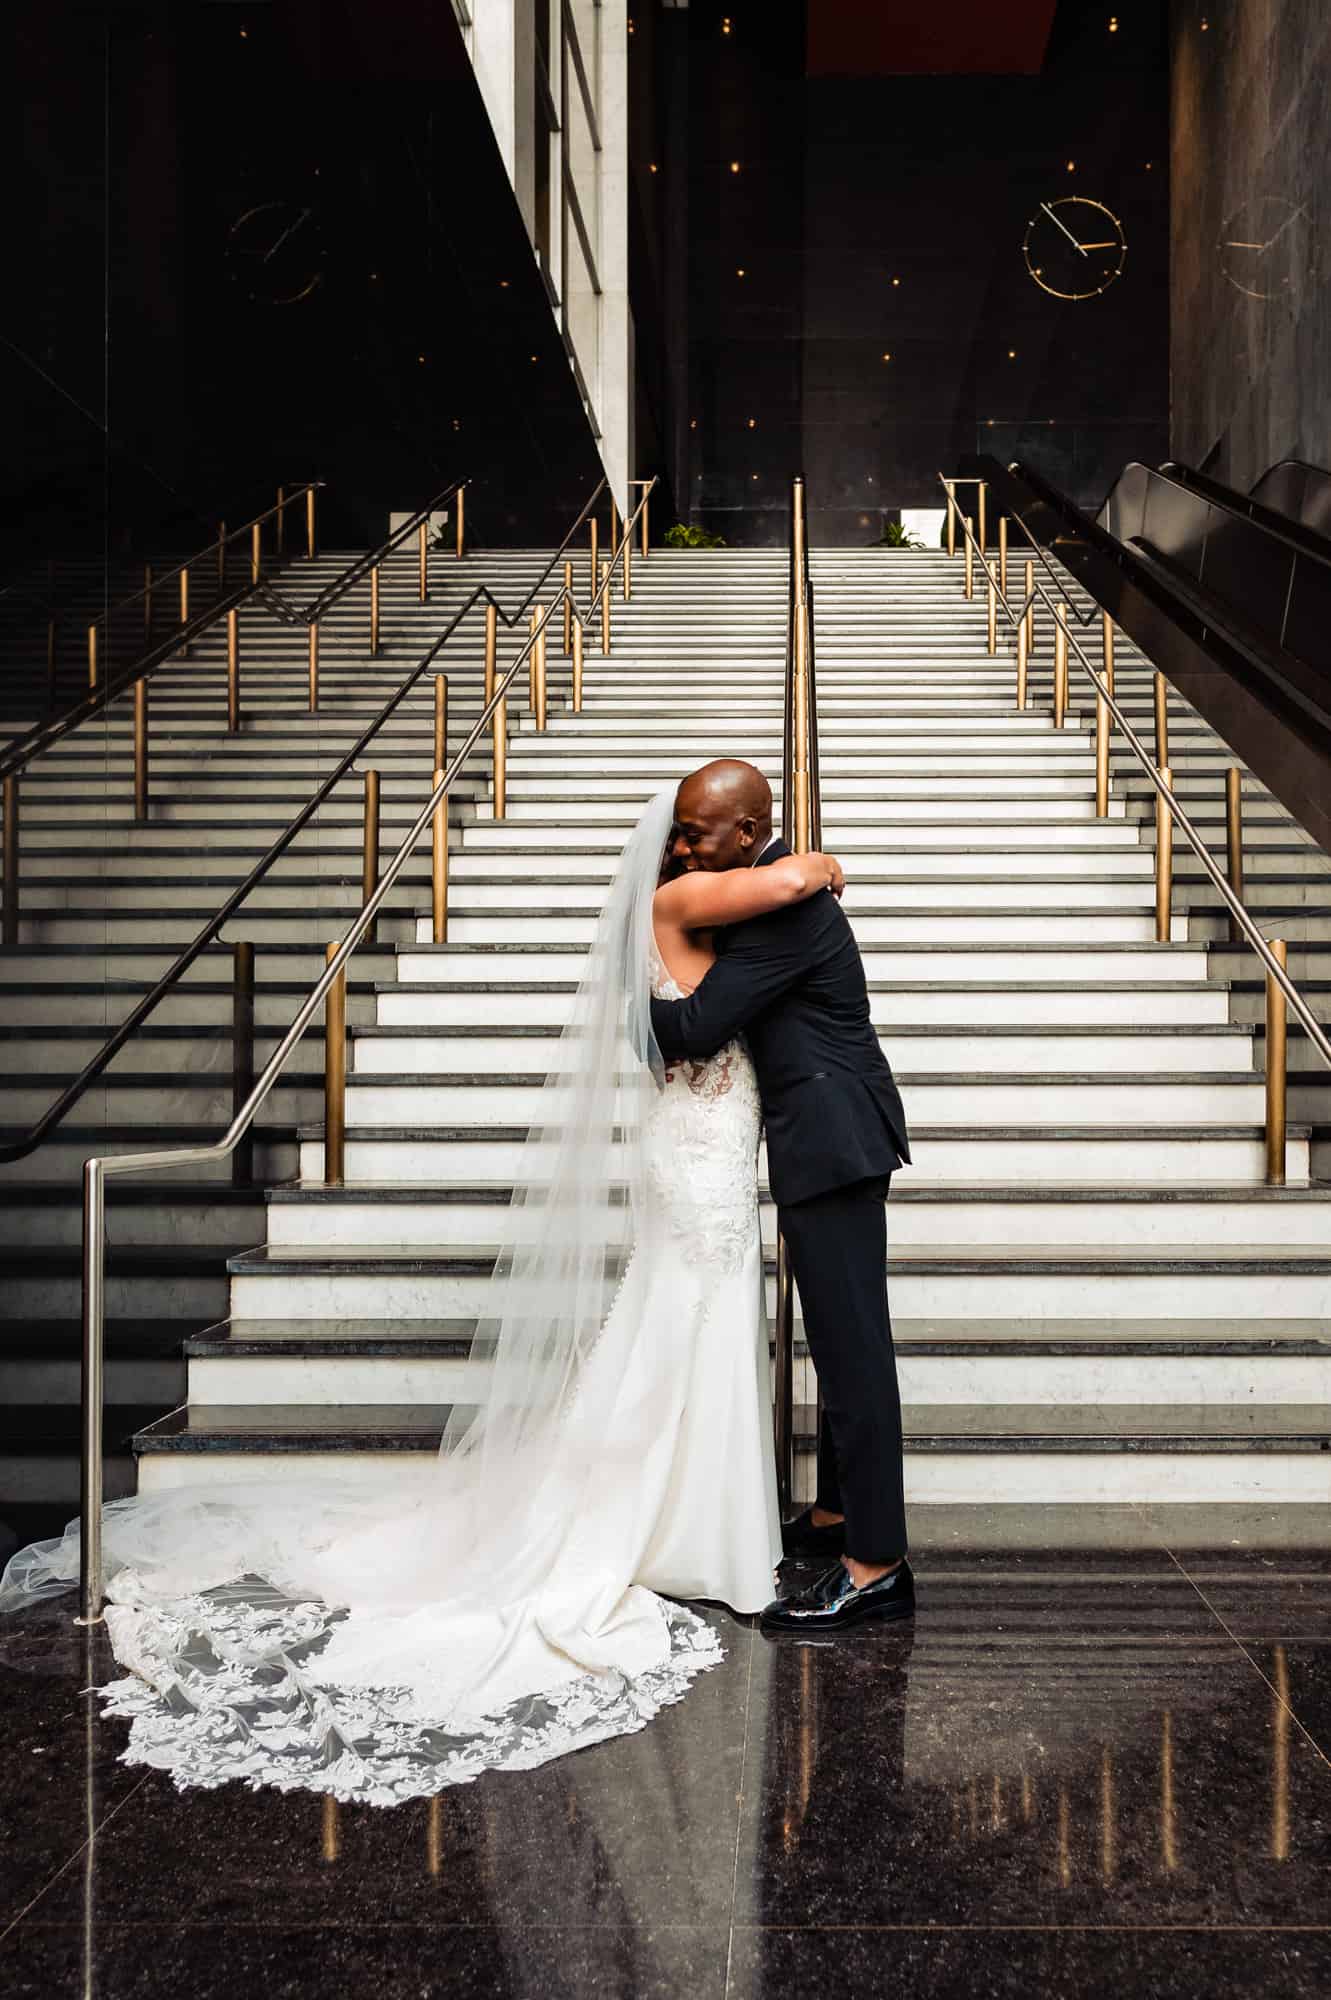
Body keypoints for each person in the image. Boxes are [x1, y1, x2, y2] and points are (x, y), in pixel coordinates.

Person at [0, 786, 845, 1802]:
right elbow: (795, 877)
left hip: (698, 1142)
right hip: (699, 1152)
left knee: (678, 1325)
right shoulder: (685, 899)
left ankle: (689, 1523)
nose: (707, 841)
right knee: (687, 1321)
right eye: (705, 828)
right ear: (702, 838)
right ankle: (689, 1534)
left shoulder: (681, 899)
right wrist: (816, 866)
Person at [649, 760, 915, 1633]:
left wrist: (622, 1001)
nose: (682, 845)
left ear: (750, 836)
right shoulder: (775, 891)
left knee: (851, 1354)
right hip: (827, 1136)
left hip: (832, 1142)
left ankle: (874, 1565)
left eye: (698, 832)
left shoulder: (786, 911)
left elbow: (695, 1027)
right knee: (841, 1341)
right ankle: (838, 1518)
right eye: (680, 829)